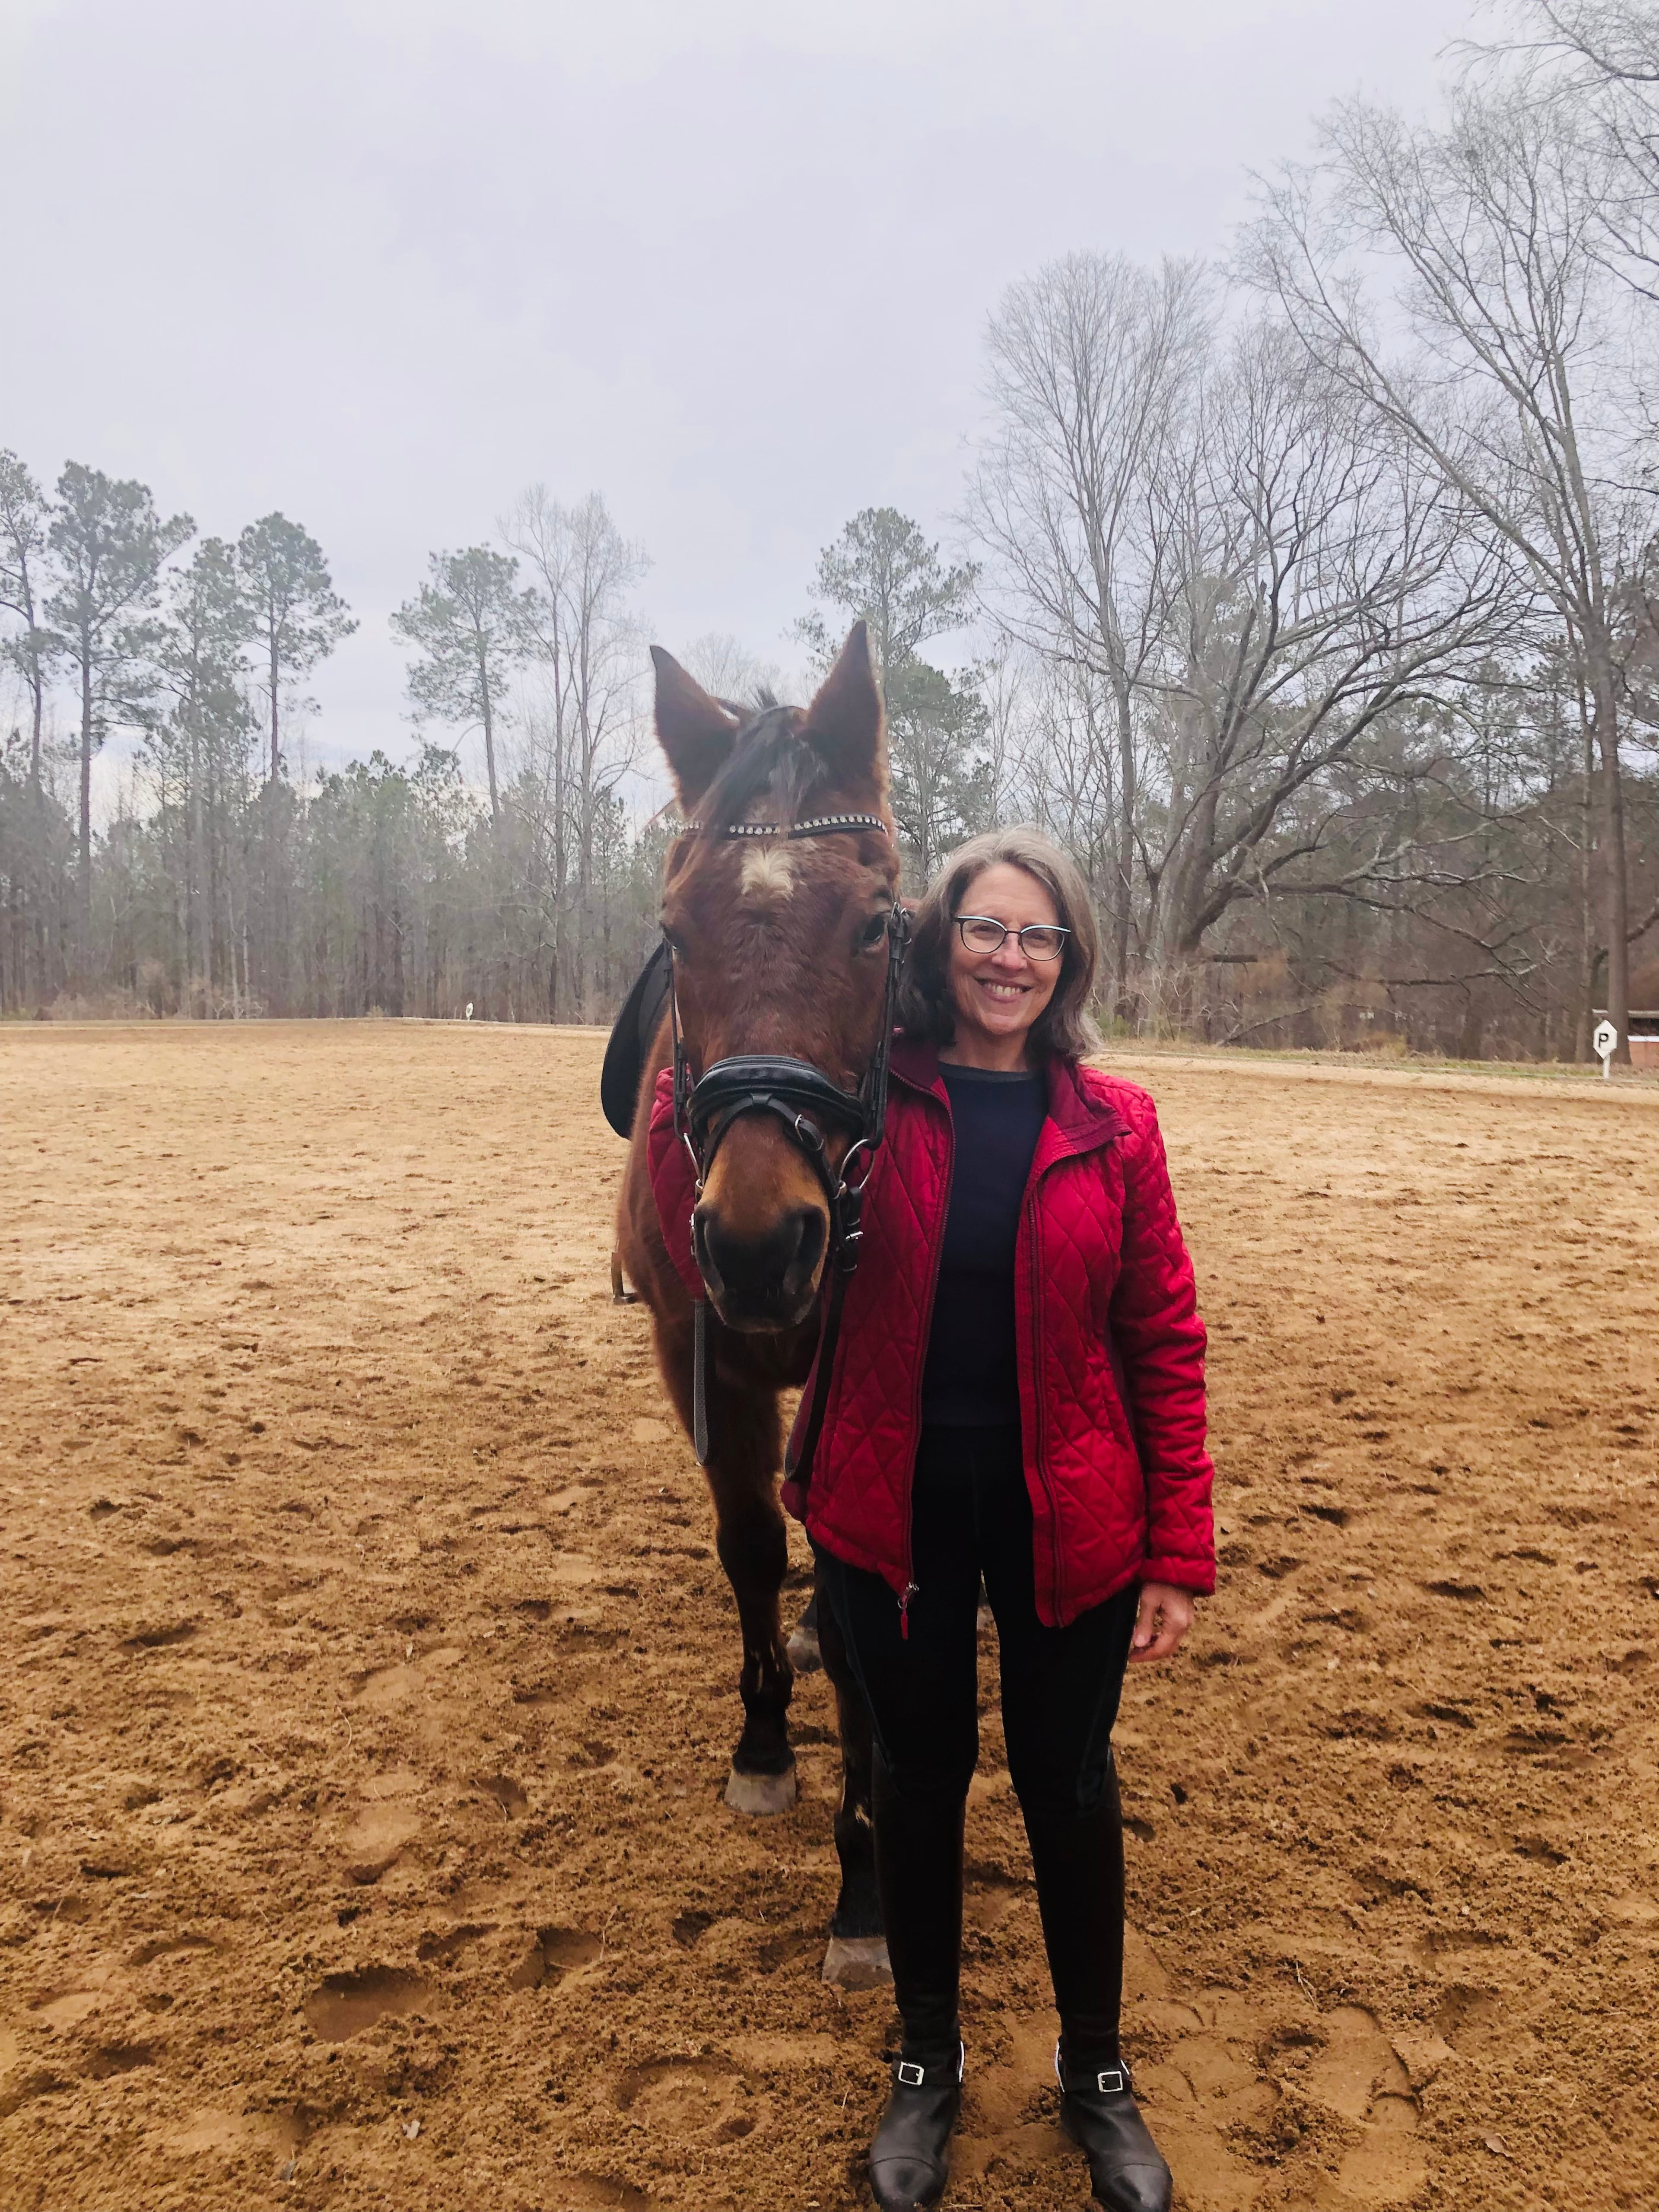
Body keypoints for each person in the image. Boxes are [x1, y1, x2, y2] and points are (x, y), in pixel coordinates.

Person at [797, 826, 1216, 2212]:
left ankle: (1097, 2074)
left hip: (1071, 1506)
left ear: (1070, 960)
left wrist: (1179, 1553)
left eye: (1039, 937)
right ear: (938, 942)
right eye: (986, 929)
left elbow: (1163, 1338)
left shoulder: (1119, 1125)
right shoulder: (862, 1101)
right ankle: (925, 2063)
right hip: (893, 1501)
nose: (1011, 958)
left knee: (1068, 1782)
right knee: (916, 1781)